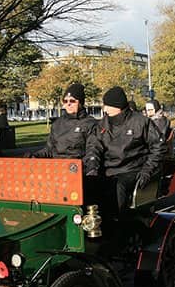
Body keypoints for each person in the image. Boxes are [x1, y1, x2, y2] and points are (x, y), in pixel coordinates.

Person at [86, 86, 166, 214]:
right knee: (87, 185)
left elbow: (159, 147)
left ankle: (119, 222)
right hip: (107, 170)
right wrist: (92, 169)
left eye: (107, 105)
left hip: (131, 169)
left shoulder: (140, 122)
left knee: (117, 187)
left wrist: (147, 170)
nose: (104, 109)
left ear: (118, 105)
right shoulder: (101, 125)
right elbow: (93, 148)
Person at [29, 83, 97, 169]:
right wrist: (35, 155)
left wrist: (87, 165)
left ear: (80, 102)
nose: (68, 104)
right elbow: (49, 149)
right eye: (65, 101)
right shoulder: (57, 124)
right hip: (57, 168)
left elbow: (92, 150)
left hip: (76, 169)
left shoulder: (90, 123)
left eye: (72, 101)